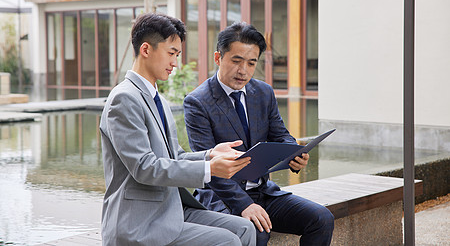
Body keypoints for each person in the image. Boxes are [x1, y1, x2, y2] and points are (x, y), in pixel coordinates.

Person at [99, 13, 257, 246]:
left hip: (170, 209)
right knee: (227, 241)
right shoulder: (124, 99)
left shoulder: (157, 98)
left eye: (177, 55)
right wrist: (209, 169)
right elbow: (145, 168)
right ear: (146, 50)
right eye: (171, 53)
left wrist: (209, 154)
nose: (175, 62)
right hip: (139, 223)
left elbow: (176, 156)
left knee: (244, 228)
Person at [183, 22, 334, 246]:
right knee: (257, 232)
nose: (243, 70)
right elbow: (209, 167)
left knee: (321, 218)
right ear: (218, 58)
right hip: (222, 197)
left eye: (251, 63)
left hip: (264, 192)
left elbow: (281, 135)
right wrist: (243, 205)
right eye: (236, 61)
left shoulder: (263, 92)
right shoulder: (197, 102)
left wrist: (295, 154)